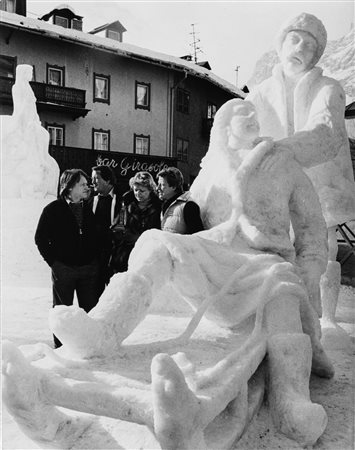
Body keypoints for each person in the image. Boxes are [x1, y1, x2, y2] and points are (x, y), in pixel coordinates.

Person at [50, 100, 333, 445]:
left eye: (254, 114)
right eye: (238, 112)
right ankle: (103, 330)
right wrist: (178, 247)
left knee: (284, 286)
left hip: (265, 261)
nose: (249, 116)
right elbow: (185, 216)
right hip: (218, 253)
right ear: (223, 126)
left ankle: (291, 399)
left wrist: (309, 273)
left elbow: (311, 231)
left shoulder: (283, 164)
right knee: (158, 242)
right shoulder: (214, 167)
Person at [246, 12, 355, 324]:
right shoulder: (260, 92)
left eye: (310, 45)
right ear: (281, 44)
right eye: (295, 39)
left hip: (322, 182)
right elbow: (242, 132)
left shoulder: (328, 87)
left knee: (324, 245)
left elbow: (328, 132)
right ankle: (279, 314)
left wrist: (278, 149)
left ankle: (326, 320)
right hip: (277, 184)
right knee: (276, 248)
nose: (300, 48)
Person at [35, 169, 100, 348]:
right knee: (62, 312)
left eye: (87, 184)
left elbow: (95, 236)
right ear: (70, 187)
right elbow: (40, 238)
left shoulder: (88, 209)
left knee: (90, 311)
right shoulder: (52, 210)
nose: (88, 187)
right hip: (64, 269)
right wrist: (55, 263)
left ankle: (87, 347)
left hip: (88, 269)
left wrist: (94, 261)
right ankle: (62, 349)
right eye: (83, 184)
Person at [109, 171, 161, 274]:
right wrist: (121, 233)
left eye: (142, 191)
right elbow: (117, 226)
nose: (138, 193)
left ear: (150, 190)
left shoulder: (158, 208)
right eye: (136, 190)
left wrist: (138, 238)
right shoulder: (127, 205)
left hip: (147, 255)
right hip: (124, 256)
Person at [90, 165, 120, 296]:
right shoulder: (92, 200)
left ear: (108, 180)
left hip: (115, 254)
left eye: (96, 178)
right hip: (96, 255)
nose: (93, 182)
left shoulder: (121, 199)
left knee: (115, 294)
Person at [157, 167, 204, 234]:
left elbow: (197, 238)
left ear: (174, 187)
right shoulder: (165, 204)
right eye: (158, 184)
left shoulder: (189, 206)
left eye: (162, 185)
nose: (157, 188)